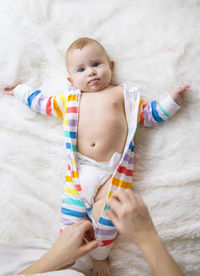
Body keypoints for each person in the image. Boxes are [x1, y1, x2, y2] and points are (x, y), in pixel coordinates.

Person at [3, 37, 190, 276]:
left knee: (108, 218)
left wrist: (172, 101)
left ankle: (100, 256)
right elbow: (42, 103)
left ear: (110, 66)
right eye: (81, 69)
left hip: (113, 171)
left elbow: (149, 115)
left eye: (96, 64)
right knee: (70, 221)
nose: (90, 72)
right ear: (71, 79)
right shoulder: (70, 99)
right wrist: (20, 90)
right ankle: (63, 258)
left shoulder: (123, 95)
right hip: (80, 171)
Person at [18, 190, 184, 276]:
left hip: (99, 176)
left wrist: (54, 258)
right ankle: (98, 256)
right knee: (78, 219)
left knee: (100, 218)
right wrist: (146, 236)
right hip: (81, 177)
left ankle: (99, 256)